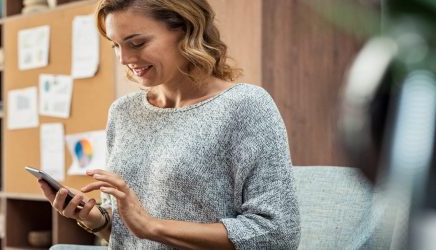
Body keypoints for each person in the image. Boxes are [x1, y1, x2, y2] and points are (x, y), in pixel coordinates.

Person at [37, 0, 300, 249]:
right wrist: (98, 220)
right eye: (115, 46)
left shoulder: (245, 105)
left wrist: (153, 227)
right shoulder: (123, 112)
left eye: (137, 43)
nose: (124, 59)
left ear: (186, 29)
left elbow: (278, 232)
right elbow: (133, 234)